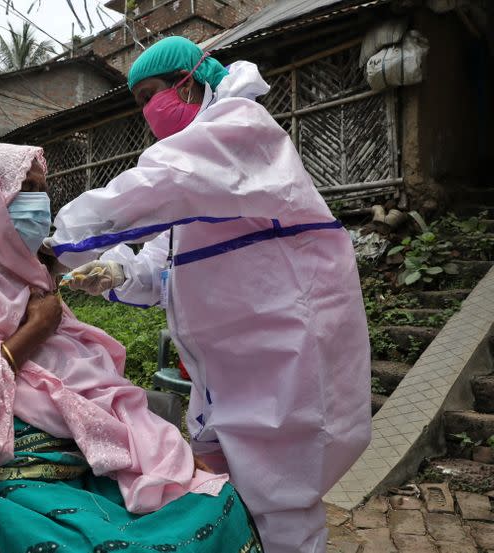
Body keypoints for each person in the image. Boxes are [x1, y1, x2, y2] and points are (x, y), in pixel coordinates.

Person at [44, 36, 371, 553]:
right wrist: (113, 272)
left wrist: (54, 240)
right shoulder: (203, 177)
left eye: (151, 93)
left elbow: (156, 182)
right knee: (225, 492)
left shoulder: (240, 131)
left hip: (282, 361)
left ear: (190, 80)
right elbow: (163, 265)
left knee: (282, 503)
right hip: (224, 375)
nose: (149, 111)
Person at [0, 144, 263, 553]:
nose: (36, 202)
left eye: (41, 188)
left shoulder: (22, 269)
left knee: (214, 500)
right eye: (22, 187)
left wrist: (159, 445)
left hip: (76, 450)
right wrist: (35, 330)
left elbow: (83, 373)